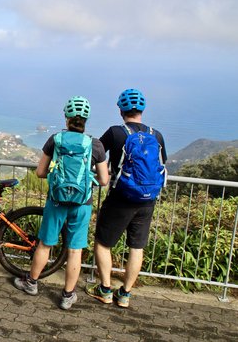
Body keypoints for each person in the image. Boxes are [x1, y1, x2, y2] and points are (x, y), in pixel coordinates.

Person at [13, 96, 109, 310]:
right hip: (82, 203)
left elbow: (40, 172)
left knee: (45, 244)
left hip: (56, 201)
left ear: (66, 118)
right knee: (75, 250)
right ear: (86, 119)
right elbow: (103, 180)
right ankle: (67, 296)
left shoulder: (55, 140)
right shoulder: (95, 144)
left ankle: (31, 283)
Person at [86, 88, 167, 308]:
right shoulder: (156, 135)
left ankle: (105, 289)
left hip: (121, 198)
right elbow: (162, 164)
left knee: (103, 244)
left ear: (121, 110)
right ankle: (125, 294)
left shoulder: (115, 132)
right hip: (147, 200)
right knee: (136, 247)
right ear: (142, 109)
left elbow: (95, 154)